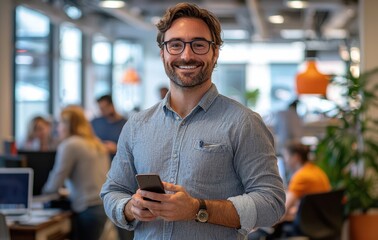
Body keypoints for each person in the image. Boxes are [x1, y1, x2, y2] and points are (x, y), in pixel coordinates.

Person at [100, 3, 285, 240]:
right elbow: (112, 192)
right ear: (163, 53)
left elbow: (272, 203)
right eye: (175, 45)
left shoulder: (244, 122)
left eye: (198, 45)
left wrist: (198, 209)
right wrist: (130, 207)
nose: (186, 55)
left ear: (215, 52)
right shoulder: (137, 125)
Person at [43, 105, 109, 240]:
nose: (57, 128)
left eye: (60, 123)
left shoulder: (70, 145)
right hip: (101, 207)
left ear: (68, 124)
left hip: (86, 208)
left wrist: (42, 195)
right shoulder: (96, 143)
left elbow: (57, 179)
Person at [250, 142, 331, 239]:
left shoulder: (301, 176)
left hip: (305, 228)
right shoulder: (318, 172)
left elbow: (282, 211)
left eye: (286, 156)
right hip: (321, 224)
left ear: (296, 157)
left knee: (257, 234)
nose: (284, 161)